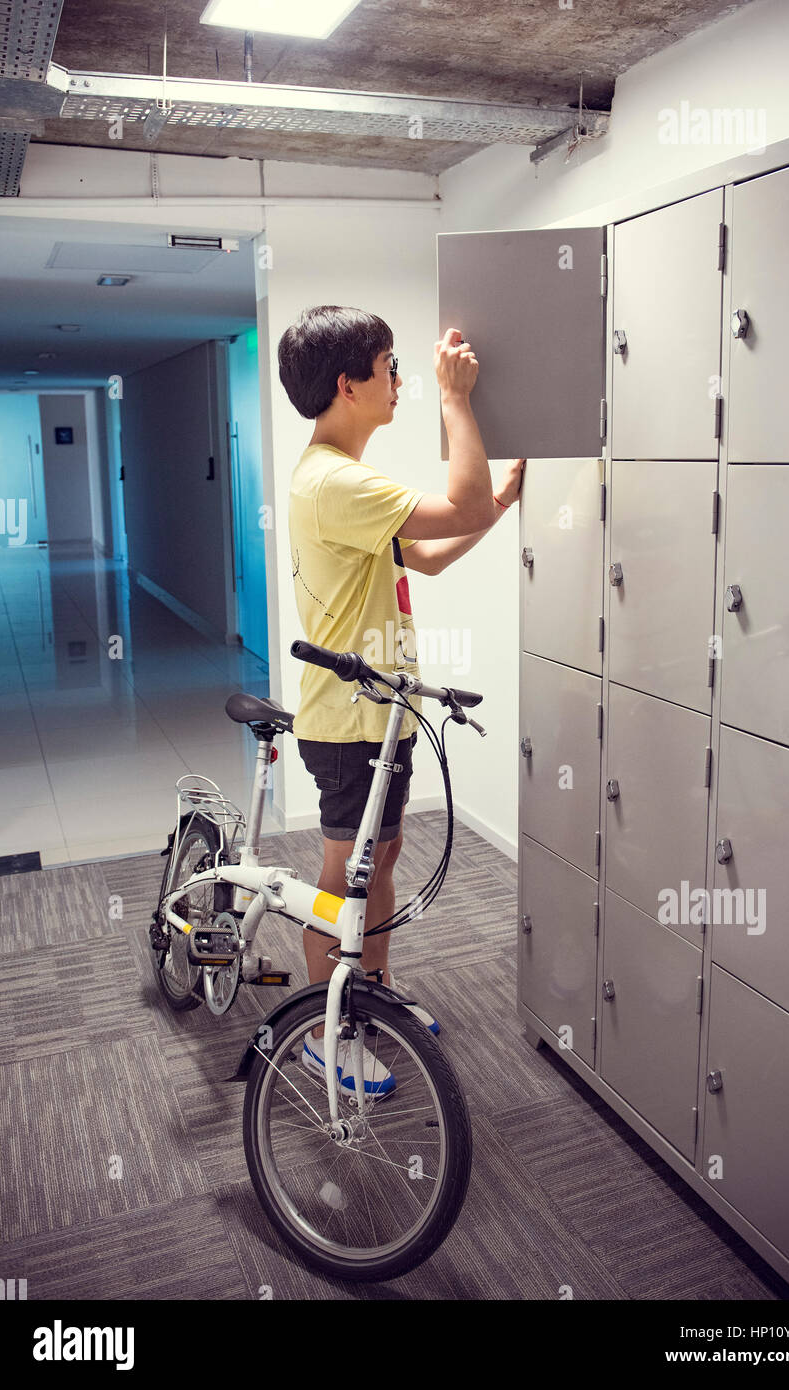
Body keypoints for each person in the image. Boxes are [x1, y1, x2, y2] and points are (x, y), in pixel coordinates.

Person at [278, 305, 524, 1091]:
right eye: (390, 368)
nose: (401, 383)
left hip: (375, 716)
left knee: (377, 862)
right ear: (348, 384)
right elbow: (462, 505)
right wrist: (459, 400)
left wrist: (498, 507)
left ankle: (368, 996)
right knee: (343, 876)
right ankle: (323, 1028)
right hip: (348, 724)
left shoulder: (340, 481)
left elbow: (432, 554)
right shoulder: (336, 480)